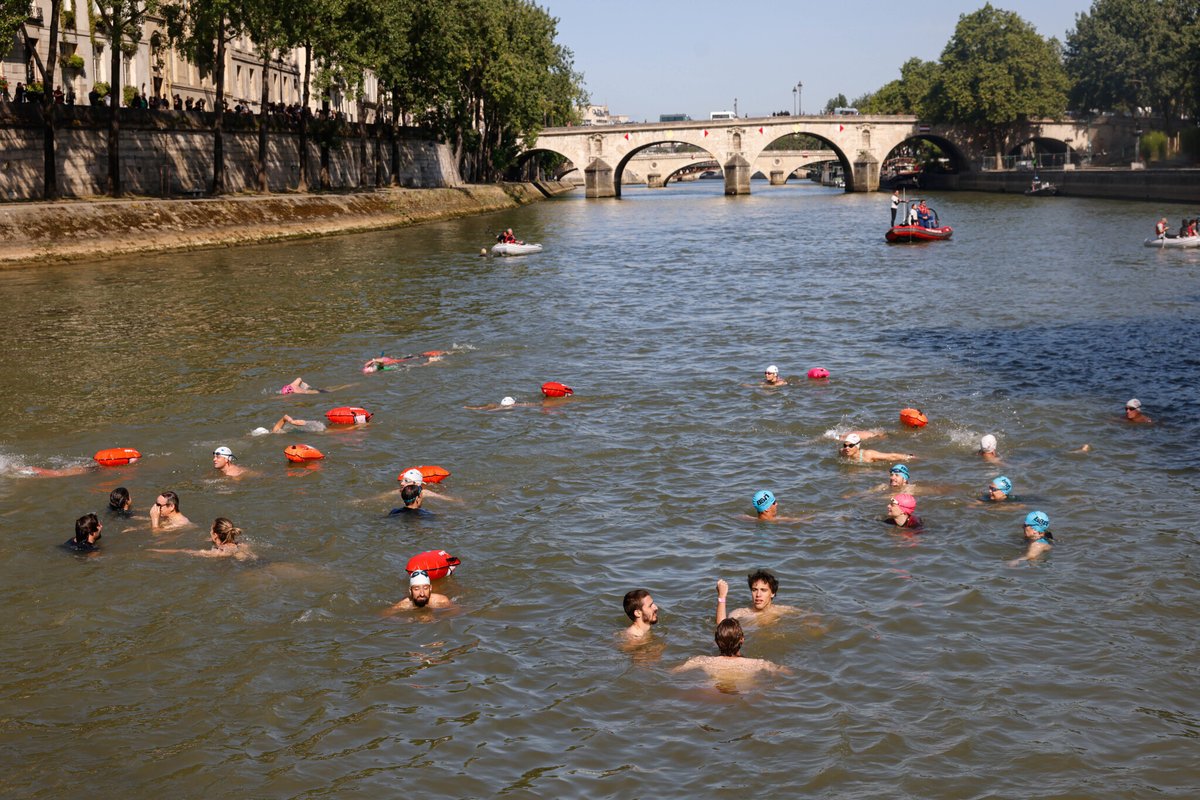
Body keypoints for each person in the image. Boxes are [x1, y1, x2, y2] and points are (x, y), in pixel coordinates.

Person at [671, 618, 787, 677]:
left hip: (712, 694)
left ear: (716, 642)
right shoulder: (757, 663)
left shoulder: (702, 660)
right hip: (743, 697)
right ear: (742, 639)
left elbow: (673, 672)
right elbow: (785, 672)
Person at [150, 517, 255, 560]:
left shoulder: (219, 552)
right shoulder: (241, 544)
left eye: (210, 530)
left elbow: (185, 551)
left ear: (215, 535)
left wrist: (156, 550)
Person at [716, 571, 794, 626]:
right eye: (754, 590)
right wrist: (722, 597)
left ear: (772, 593)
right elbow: (721, 628)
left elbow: (804, 616)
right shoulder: (741, 613)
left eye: (763, 590)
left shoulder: (782, 610)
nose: (758, 594)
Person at [384, 570, 452, 613]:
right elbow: (384, 615)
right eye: (416, 589)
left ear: (430, 588)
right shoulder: (403, 605)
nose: (422, 594)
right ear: (410, 590)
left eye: (425, 588)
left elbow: (456, 612)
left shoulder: (442, 601)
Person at [840, 433, 914, 464]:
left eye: (850, 445)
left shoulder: (868, 455)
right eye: (845, 445)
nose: (847, 448)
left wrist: (908, 457)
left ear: (857, 446)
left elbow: (891, 456)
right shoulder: (842, 452)